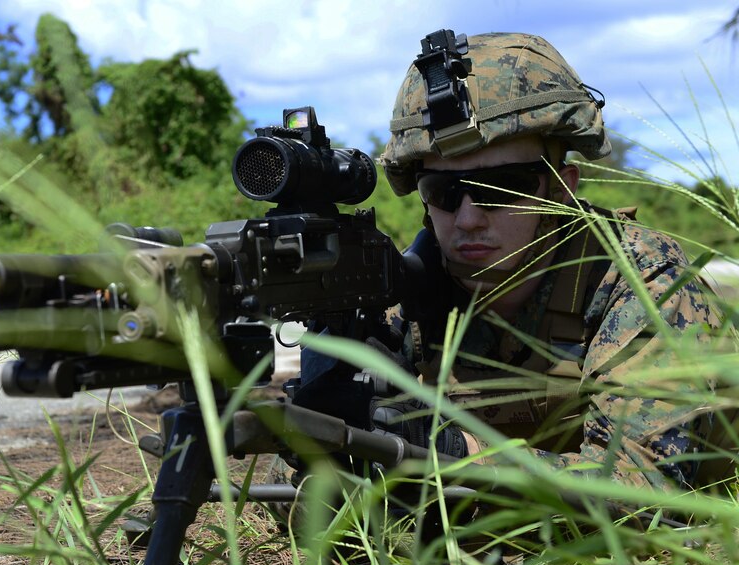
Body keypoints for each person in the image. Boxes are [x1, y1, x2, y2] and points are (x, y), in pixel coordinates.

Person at [289, 30, 721, 493]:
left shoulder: (638, 277)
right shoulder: (404, 292)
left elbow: (646, 490)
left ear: (562, 189)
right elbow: (298, 499)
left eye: (502, 187)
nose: (469, 219)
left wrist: (452, 457)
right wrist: (328, 439)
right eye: (443, 192)